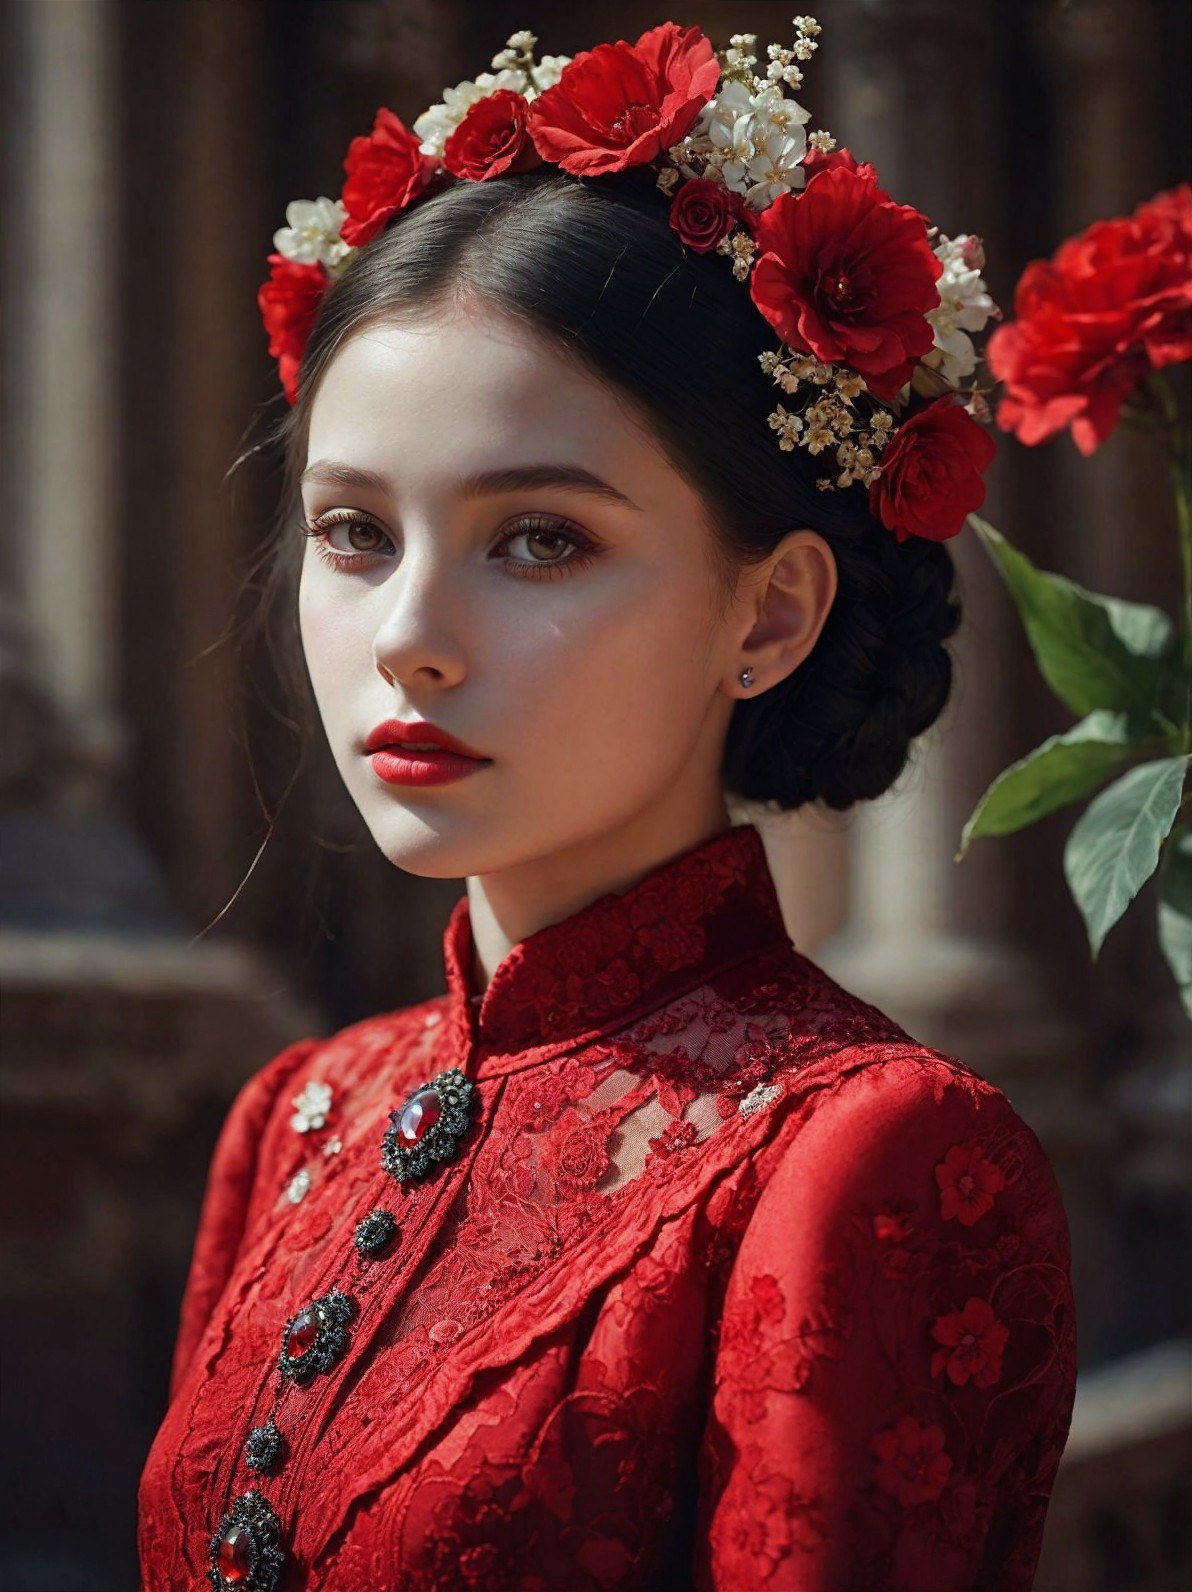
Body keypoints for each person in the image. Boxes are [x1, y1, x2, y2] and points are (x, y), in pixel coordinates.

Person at [138, 19, 1076, 1591]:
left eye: (541, 540)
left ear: (767, 615)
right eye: (355, 531)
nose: (409, 638)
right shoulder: (298, 1118)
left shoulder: (862, 1155)